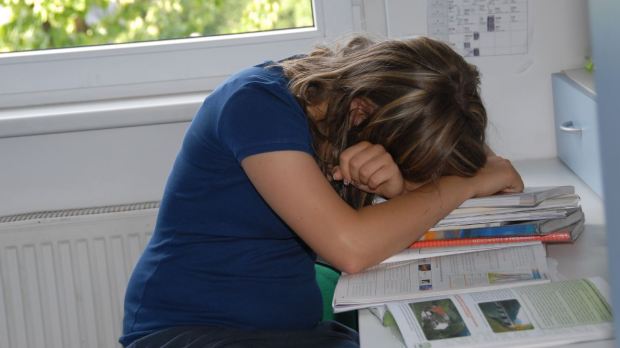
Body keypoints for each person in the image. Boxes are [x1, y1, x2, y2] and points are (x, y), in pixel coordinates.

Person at [119, 35, 524, 347]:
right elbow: (349, 247)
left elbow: (500, 179)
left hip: (289, 330)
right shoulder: (257, 106)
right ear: (361, 111)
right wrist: (464, 184)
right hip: (188, 330)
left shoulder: (379, 102)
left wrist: (403, 189)